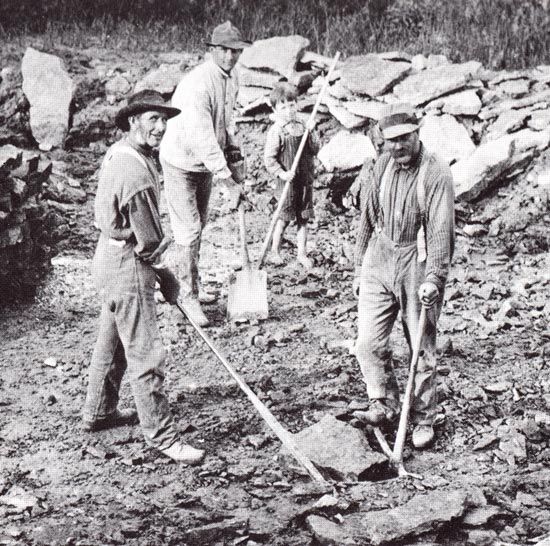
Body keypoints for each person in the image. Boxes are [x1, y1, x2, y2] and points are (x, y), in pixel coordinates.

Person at [82, 90, 205, 465]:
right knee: (146, 352)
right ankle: (162, 436)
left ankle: (99, 411)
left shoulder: (121, 153)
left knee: (112, 339)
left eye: (164, 120)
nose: (161, 127)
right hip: (128, 266)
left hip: (108, 257)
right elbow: (149, 242)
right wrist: (167, 278)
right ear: (133, 121)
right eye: (152, 119)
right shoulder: (134, 171)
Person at [352, 103, 455, 449]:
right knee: (367, 342)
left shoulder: (436, 172)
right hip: (380, 257)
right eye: (390, 141)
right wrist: (359, 266)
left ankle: (424, 416)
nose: (398, 147)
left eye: (404, 139)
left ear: (417, 133)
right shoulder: (382, 164)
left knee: (420, 347)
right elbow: (367, 217)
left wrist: (434, 279)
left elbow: (442, 231)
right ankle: (384, 401)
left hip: (417, 259)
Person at [160, 21, 250, 327]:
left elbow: (226, 121)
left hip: (205, 164)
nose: (230, 57)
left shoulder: (231, 77)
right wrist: (227, 180)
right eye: (224, 51)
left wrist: (235, 154)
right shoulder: (197, 85)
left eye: (235, 51)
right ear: (212, 50)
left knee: (199, 226)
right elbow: (202, 138)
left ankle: (189, 286)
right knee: (188, 230)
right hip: (181, 161)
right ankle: (185, 297)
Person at [264, 82, 318, 269]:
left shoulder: (304, 126)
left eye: (292, 105)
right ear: (275, 109)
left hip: (305, 182)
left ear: (297, 104)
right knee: (284, 219)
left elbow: (315, 149)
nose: (289, 110)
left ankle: (302, 254)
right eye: (283, 107)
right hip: (287, 184)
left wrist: (312, 133)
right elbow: (269, 160)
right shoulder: (277, 131)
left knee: (303, 219)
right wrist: (282, 173)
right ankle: (274, 251)